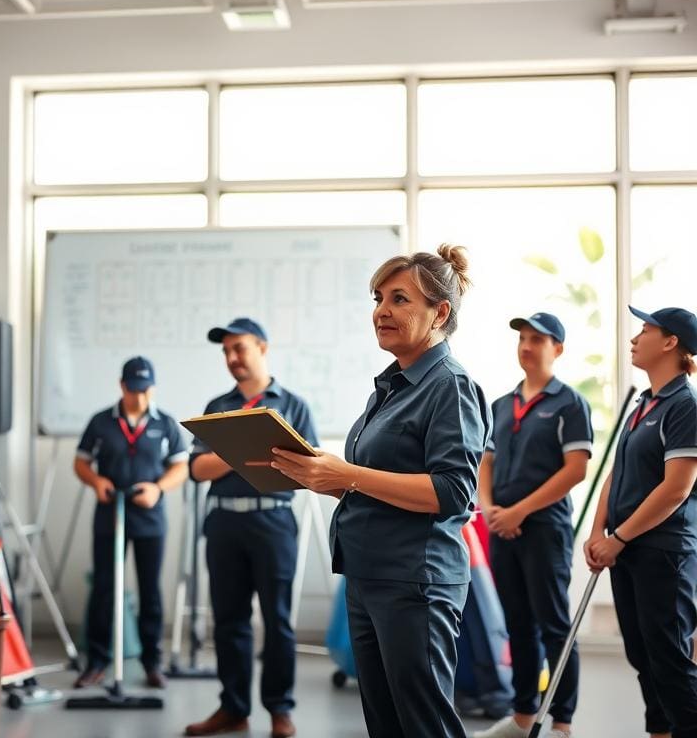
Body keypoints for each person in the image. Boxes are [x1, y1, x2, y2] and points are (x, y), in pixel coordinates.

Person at [271, 245, 489, 738]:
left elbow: (453, 491)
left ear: (440, 313)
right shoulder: (391, 387)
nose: (381, 311)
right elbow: (376, 482)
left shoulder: (449, 387)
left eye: (399, 299)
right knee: (386, 726)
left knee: (424, 725)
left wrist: (346, 475)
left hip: (415, 582)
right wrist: (321, 477)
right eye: (377, 298)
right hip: (370, 577)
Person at [184, 317, 318, 738]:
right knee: (228, 620)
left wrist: (232, 450)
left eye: (238, 348)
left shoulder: (292, 405)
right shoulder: (216, 406)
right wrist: (244, 449)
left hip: (272, 521)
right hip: (223, 521)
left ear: (262, 347)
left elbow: (308, 471)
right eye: (225, 351)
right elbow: (198, 469)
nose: (232, 358)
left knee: (277, 620)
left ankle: (279, 710)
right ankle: (233, 708)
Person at [474, 313, 593, 738]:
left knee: (554, 624)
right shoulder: (501, 405)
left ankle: (561, 722)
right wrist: (488, 508)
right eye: (522, 338)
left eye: (537, 339)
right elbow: (485, 463)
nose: (526, 345)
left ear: (556, 349)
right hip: (502, 527)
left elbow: (575, 470)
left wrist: (519, 510)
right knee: (517, 622)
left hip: (544, 528)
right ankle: (524, 715)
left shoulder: (569, 403)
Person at [585, 306, 697, 738]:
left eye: (645, 330)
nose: (635, 338)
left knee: (669, 661)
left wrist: (619, 538)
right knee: (643, 657)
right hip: (627, 548)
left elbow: (676, 489)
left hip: (663, 551)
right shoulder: (643, 403)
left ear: (670, 342)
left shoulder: (684, 406)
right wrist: (599, 531)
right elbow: (617, 471)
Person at [72, 356, 189, 689]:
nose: (139, 397)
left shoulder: (165, 423)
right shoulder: (101, 422)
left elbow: (180, 468)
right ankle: (96, 661)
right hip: (110, 515)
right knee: (105, 589)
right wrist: (96, 483)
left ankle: (152, 663)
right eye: (133, 389)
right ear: (122, 386)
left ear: (152, 388)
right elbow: (80, 463)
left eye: (145, 390)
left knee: (151, 591)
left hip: (149, 518)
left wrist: (158, 489)